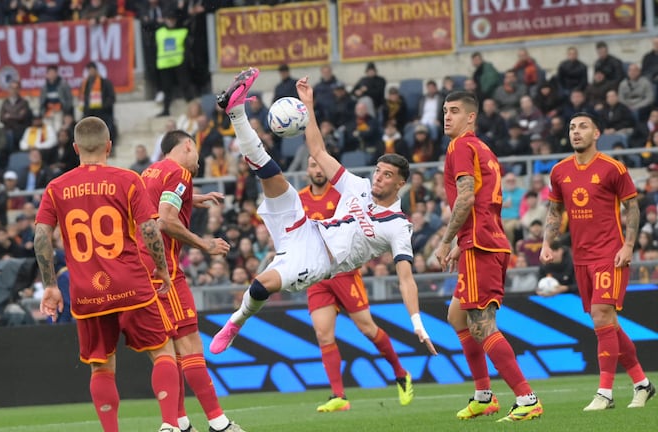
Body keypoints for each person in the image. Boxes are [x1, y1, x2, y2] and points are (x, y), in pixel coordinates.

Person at [208, 69, 436, 386]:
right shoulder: (357, 186)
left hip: (319, 261)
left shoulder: (399, 226)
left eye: (386, 175)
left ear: (400, 183)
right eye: (378, 171)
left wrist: (416, 320)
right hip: (305, 228)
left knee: (262, 286)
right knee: (268, 171)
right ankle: (235, 112)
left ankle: (236, 321)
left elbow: (406, 277)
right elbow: (317, 151)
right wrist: (309, 106)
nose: (378, 178)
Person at [34, 117, 183, 432]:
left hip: (86, 291)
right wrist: (161, 267)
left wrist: (50, 285)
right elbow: (149, 229)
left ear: (75, 148)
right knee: (162, 350)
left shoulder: (56, 187)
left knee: (101, 366)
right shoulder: (127, 179)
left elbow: (40, 236)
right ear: (109, 146)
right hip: (131, 282)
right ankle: (170, 425)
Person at [434, 91, 543, 422]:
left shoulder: (461, 146)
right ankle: (484, 396)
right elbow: (480, 202)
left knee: (482, 325)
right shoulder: (484, 149)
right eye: (444, 111)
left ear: (471, 117)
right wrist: (460, 242)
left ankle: (527, 398)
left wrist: (445, 239)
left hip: (481, 244)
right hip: (483, 239)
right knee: (457, 316)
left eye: (454, 111)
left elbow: (465, 198)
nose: (447, 116)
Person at [540, 112, 655, 411]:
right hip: (581, 257)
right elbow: (554, 211)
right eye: (572, 127)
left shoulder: (612, 168)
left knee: (602, 314)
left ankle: (605, 392)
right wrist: (546, 243)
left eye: (582, 127)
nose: (576, 132)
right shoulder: (559, 171)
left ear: (596, 133)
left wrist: (628, 246)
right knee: (607, 323)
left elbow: (632, 208)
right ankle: (642, 383)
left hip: (611, 253)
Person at [140, 130, 245, 432]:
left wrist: (191, 198)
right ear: (188, 145)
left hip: (140, 268)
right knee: (190, 344)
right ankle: (219, 424)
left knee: (167, 351)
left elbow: (153, 204)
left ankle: (181, 424)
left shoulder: (151, 171)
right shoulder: (180, 172)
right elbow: (165, 220)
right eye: (197, 151)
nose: (198, 159)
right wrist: (205, 244)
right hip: (164, 269)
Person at [299, 156, 414, 412]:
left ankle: (400, 372)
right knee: (322, 334)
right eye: (313, 166)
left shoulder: (341, 192)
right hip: (318, 275)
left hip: (345, 272)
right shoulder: (300, 198)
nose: (317, 170)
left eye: (319, 165)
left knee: (367, 328)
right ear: (307, 170)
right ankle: (338, 396)